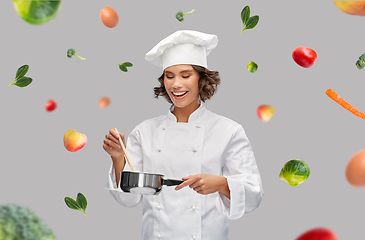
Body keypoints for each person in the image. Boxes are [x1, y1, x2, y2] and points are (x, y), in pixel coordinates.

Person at [103, 30, 264, 240]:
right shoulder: (145, 131)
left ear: (201, 79)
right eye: (169, 76)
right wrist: (117, 158)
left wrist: (221, 184)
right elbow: (129, 199)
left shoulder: (228, 130)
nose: (176, 84)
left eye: (185, 75)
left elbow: (253, 195)